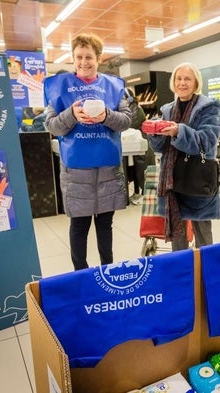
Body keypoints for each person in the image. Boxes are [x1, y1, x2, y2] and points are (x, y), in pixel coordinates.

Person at [43, 33, 132, 270]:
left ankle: (107, 271)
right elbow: (51, 125)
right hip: (76, 171)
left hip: (107, 169)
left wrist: (106, 116)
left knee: (105, 225)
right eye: (79, 57)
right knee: (79, 226)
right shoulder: (59, 88)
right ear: (73, 59)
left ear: (99, 58)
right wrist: (71, 115)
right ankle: (80, 274)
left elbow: (125, 121)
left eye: (89, 57)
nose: (84, 61)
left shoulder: (114, 87)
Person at [147, 62, 220, 250]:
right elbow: (161, 148)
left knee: (203, 237)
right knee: (178, 240)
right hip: (173, 181)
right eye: (178, 78)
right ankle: (181, 273)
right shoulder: (166, 110)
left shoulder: (209, 107)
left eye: (187, 79)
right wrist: (154, 133)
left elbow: (207, 141)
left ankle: (206, 274)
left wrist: (178, 132)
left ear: (196, 83)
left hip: (197, 178)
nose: (182, 83)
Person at [125, 88, 155, 204]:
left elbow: (127, 124)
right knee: (137, 172)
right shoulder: (131, 108)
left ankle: (144, 195)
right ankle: (138, 193)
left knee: (143, 172)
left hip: (142, 146)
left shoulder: (135, 109)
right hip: (136, 146)